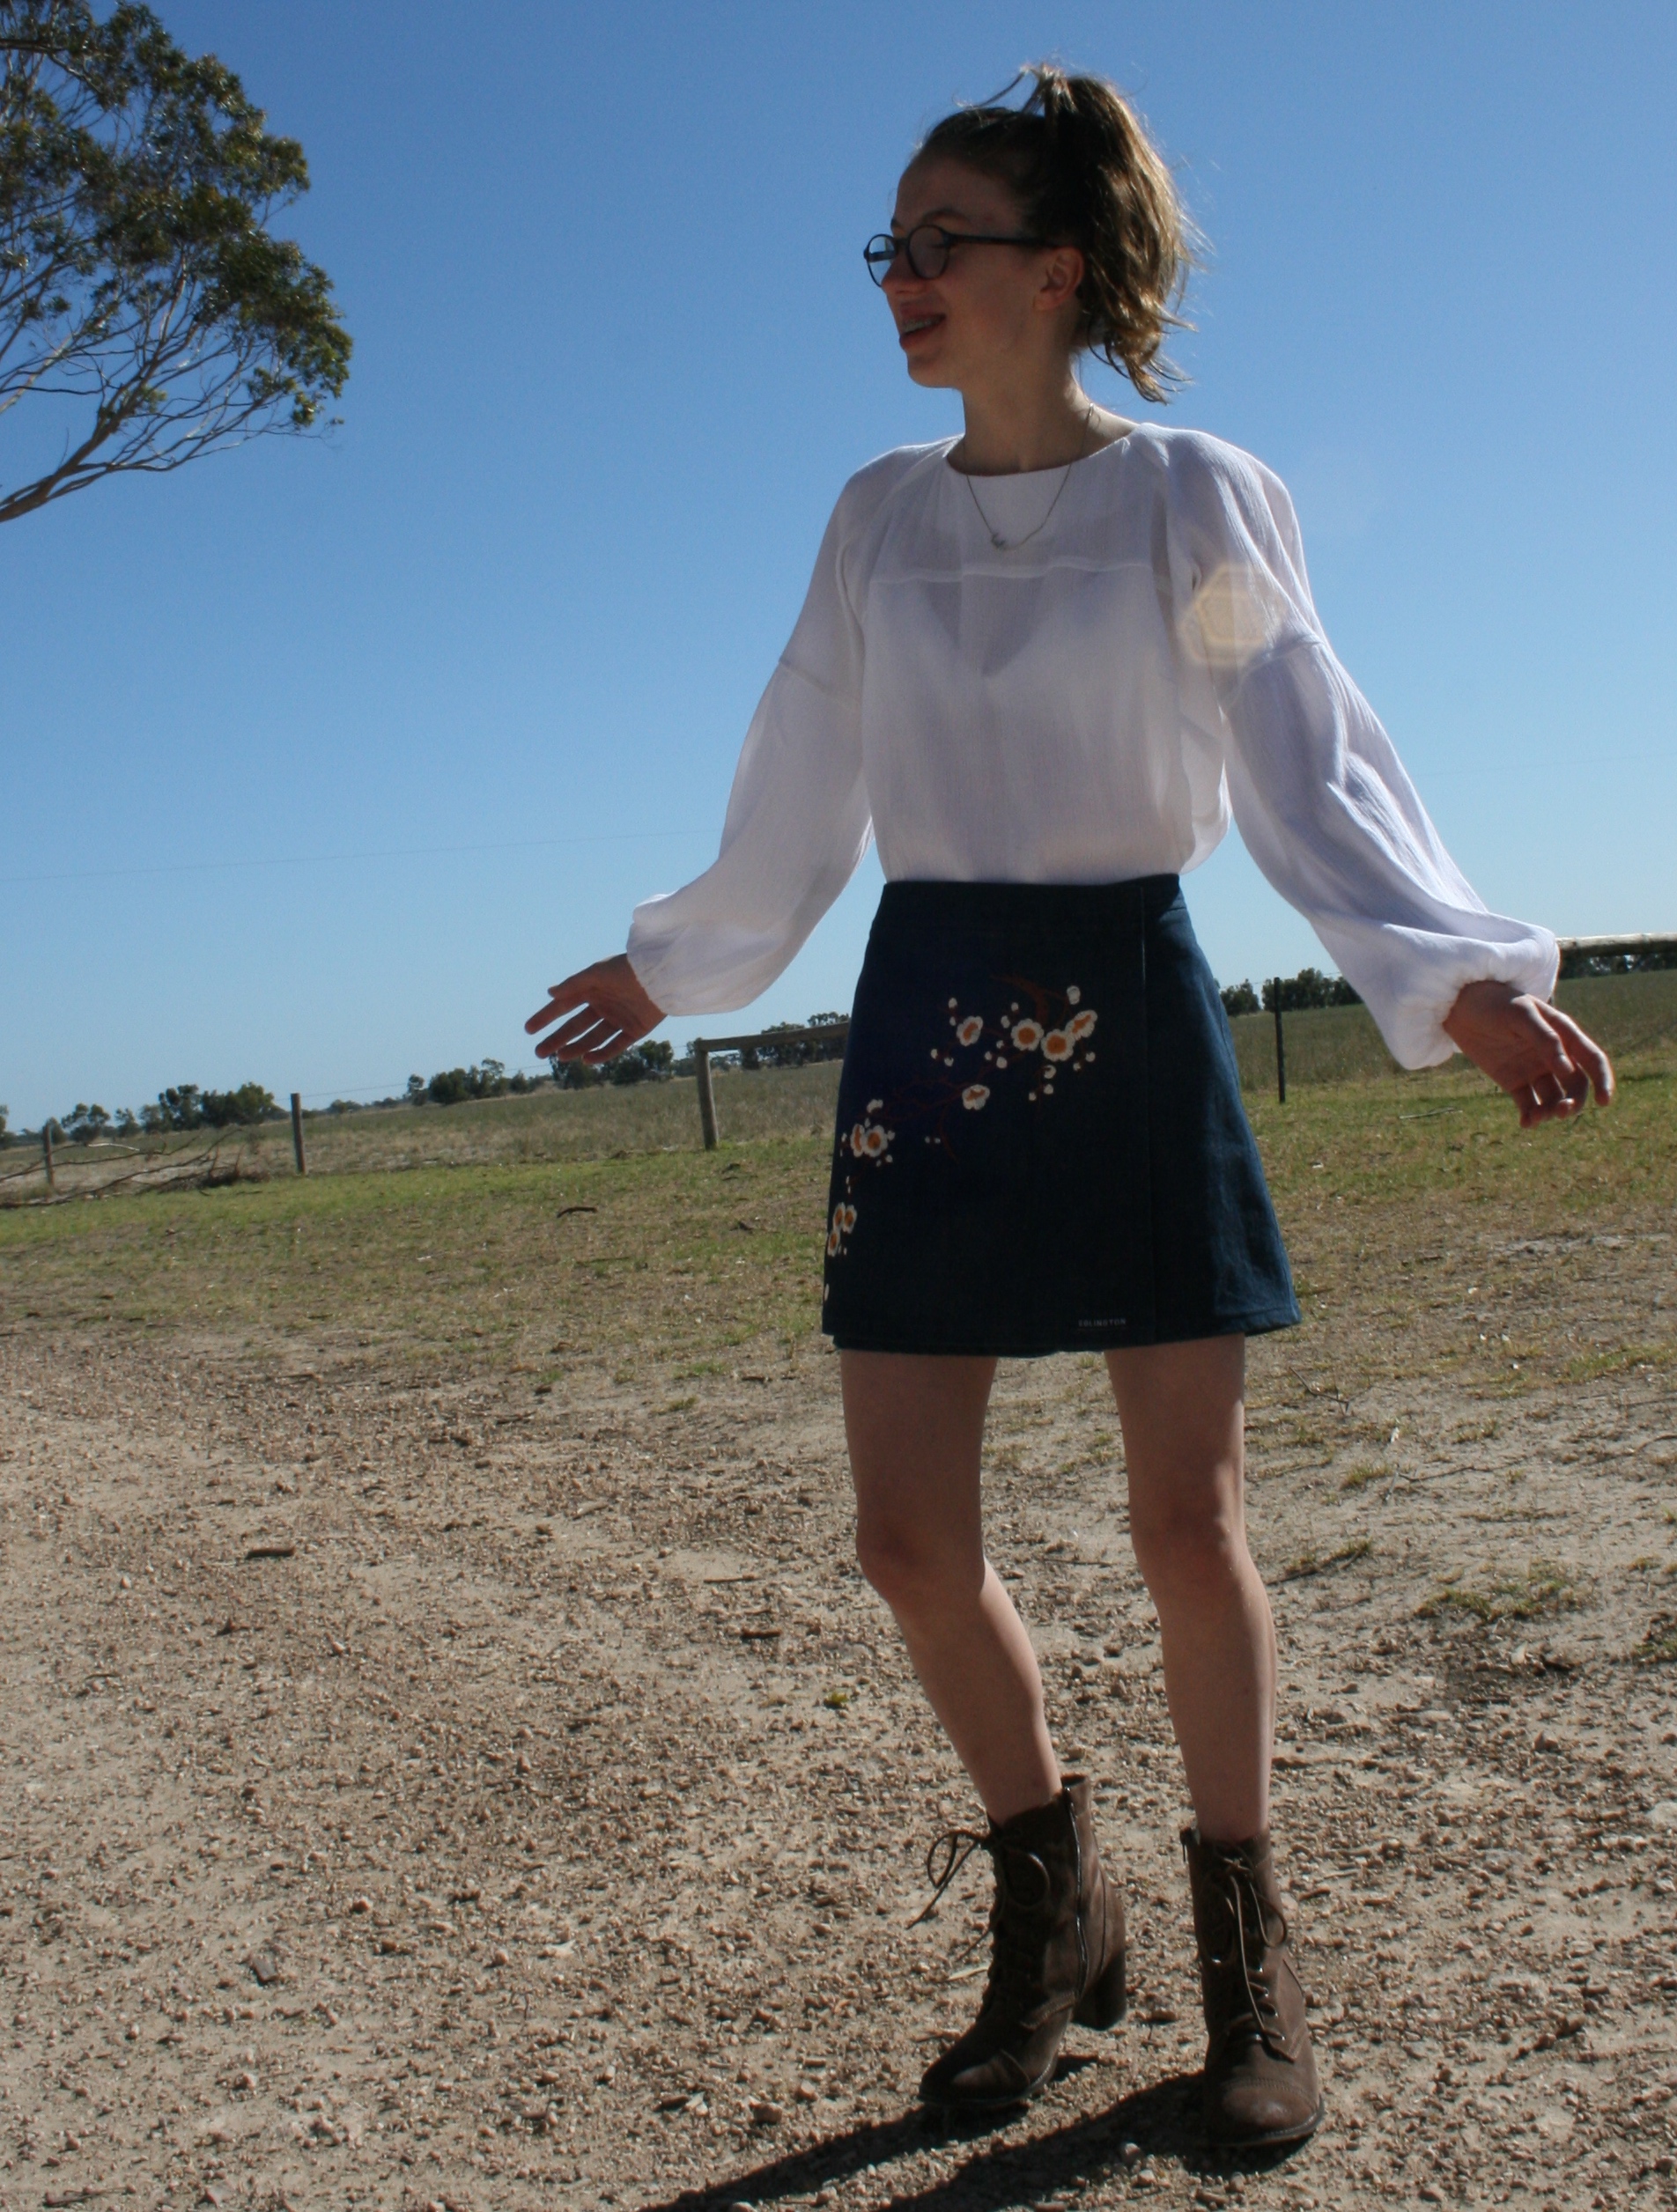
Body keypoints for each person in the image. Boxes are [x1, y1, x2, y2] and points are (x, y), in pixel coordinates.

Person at [526, 67, 1613, 2147]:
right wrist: (681, 959)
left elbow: (1297, 750)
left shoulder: (1191, 500)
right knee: (905, 1538)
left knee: (1185, 1522)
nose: (900, 278)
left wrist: (1450, 969)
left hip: (1127, 997)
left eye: (939, 242)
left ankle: (1244, 1956)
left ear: (1060, 269)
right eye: (889, 247)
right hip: (924, 1019)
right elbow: (803, 771)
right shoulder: (876, 516)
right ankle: (1056, 1901)